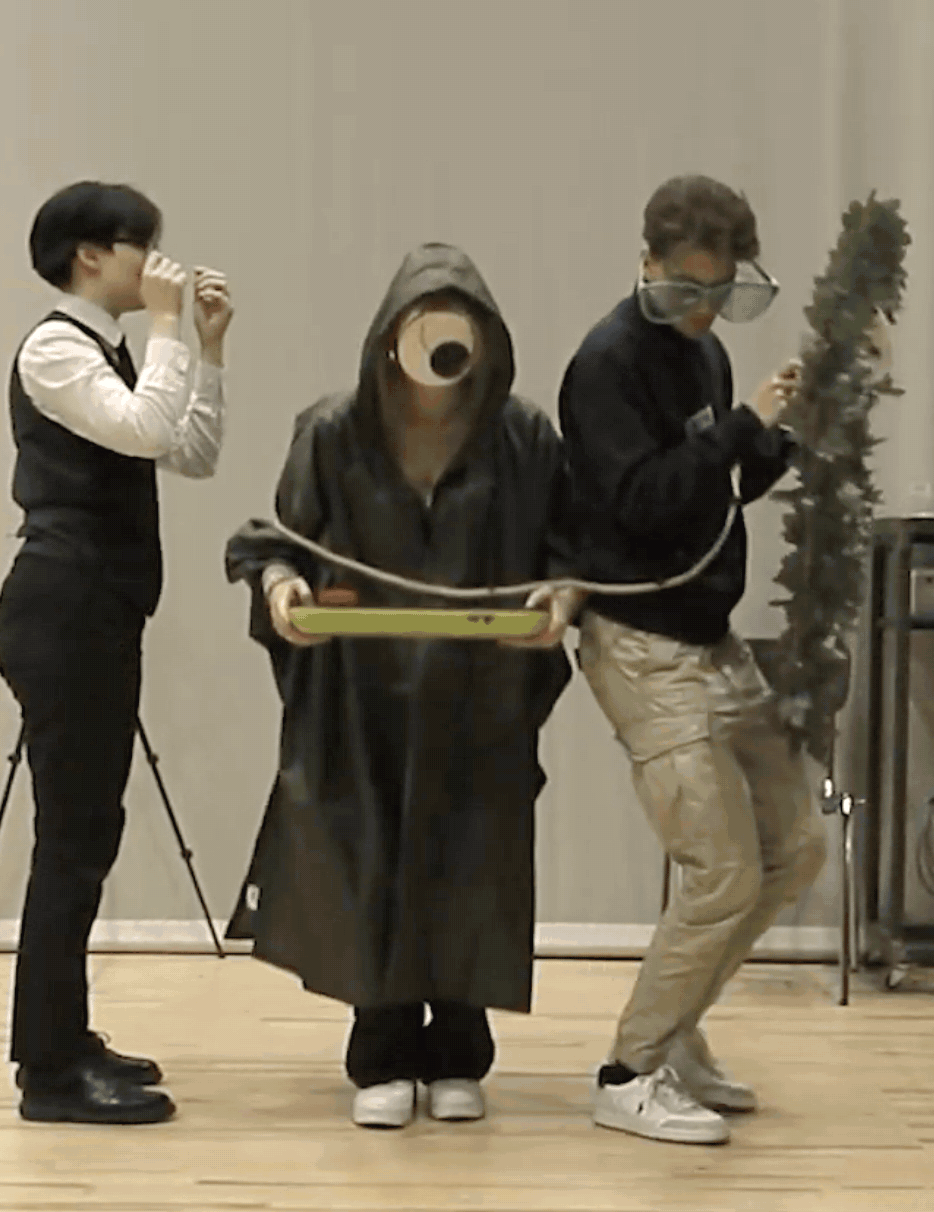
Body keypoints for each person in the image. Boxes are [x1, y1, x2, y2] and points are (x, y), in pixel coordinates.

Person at [222, 243, 582, 1131]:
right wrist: (283, 590)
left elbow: (569, 546)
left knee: (473, 864)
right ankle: (380, 1050)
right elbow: (274, 543)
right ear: (389, 337)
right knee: (368, 859)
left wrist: (563, 595)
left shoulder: (525, 437)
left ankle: (459, 1051)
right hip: (362, 697)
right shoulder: (333, 431)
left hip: (481, 692)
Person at [555, 174, 827, 1146]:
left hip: (711, 638)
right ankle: (628, 1071)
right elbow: (641, 502)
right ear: (648, 264)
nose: (704, 309)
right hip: (640, 644)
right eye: (685, 288)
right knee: (720, 869)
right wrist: (742, 429)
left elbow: (720, 490)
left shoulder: (704, 352)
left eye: (719, 292)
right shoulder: (606, 365)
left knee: (796, 844)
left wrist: (776, 440)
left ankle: (675, 1033)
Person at [0, 180, 234, 1125]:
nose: (158, 264)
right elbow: (145, 428)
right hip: (63, 612)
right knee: (70, 840)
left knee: (89, 833)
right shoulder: (54, 348)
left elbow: (191, 449)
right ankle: (49, 1071)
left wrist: (204, 346)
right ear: (90, 255)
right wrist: (170, 328)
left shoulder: (118, 351)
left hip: (99, 614)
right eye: (145, 246)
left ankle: (63, 1036)